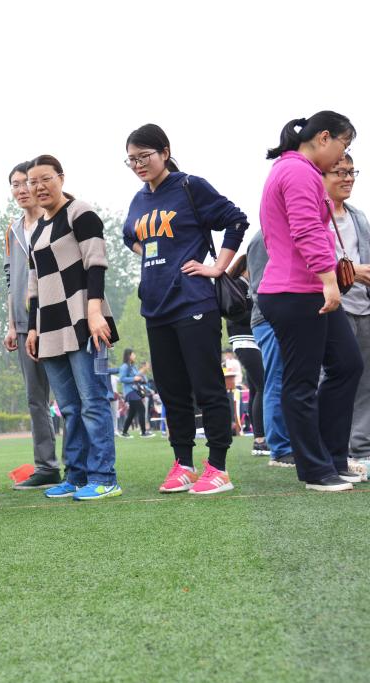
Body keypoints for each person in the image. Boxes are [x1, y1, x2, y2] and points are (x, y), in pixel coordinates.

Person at [122, 123, 247, 496]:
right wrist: (156, 257)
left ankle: (218, 467)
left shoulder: (190, 186)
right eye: (131, 159)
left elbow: (236, 220)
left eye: (144, 156)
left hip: (193, 302)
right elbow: (130, 236)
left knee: (207, 387)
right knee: (172, 391)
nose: (138, 165)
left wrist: (217, 267)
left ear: (165, 152)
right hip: (155, 306)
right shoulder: (138, 200)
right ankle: (184, 464)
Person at [258, 111, 363, 491]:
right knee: (300, 382)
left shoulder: (296, 170)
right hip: (294, 292)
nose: (341, 156)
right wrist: (329, 280)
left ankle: (333, 458)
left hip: (305, 289)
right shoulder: (297, 171)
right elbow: (304, 230)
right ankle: (315, 470)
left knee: (347, 364)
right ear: (323, 137)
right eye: (343, 145)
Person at [23, 155, 121, 501]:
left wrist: (94, 312)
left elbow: (96, 264)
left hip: (83, 319)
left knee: (93, 402)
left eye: (45, 178)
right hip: (49, 327)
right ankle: (76, 476)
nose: (39, 187)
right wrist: (32, 328)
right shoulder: (37, 229)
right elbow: (34, 283)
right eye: (33, 182)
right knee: (69, 408)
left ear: (61, 178)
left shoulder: (81, 213)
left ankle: (105, 477)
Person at [4, 162, 62, 490]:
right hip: (25, 324)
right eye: (15, 184)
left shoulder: (56, 219)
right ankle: (47, 466)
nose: (21, 189)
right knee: (35, 399)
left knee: (69, 397)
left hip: (57, 320)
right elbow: (11, 278)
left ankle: (83, 465)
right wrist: (12, 325)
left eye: (26, 182)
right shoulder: (12, 230)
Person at [323, 153, 370, 463]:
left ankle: (361, 448)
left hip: (364, 307)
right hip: (332, 306)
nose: (348, 178)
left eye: (352, 172)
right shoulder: (314, 215)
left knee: (365, 382)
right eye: (340, 172)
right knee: (332, 379)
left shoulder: (359, 217)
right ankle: (328, 449)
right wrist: (354, 271)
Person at [246, 232, 293, 467]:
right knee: (276, 380)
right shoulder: (263, 238)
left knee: (287, 380)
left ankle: (289, 444)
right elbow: (259, 288)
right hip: (269, 318)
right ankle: (280, 448)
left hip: (281, 316)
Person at [223, 257, 268, 455]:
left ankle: (259, 437)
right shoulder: (237, 285)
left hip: (254, 339)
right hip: (243, 339)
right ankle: (260, 439)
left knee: (257, 388)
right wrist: (261, 315)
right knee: (263, 386)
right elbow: (234, 313)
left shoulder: (248, 285)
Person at [117, 349, 153, 438]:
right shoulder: (124, 366)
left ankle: (124, 432)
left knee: (132, 413)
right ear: (129, 355)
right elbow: (121, 379)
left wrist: (144, 369)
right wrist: (133, 379)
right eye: (133, 354)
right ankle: (144, 432)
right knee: (141, 409)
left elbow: (137, 375)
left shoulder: (133, 366)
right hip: (130, 391)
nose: (135, 356)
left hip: (135, 391)